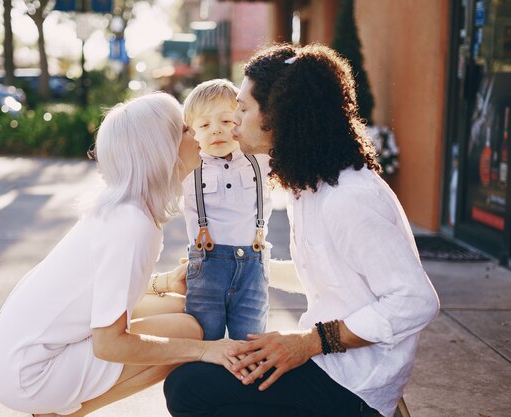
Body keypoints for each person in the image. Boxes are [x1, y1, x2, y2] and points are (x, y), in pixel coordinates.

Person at [164, 44, 440, 417]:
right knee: (188, 382)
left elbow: (415, 300)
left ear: (278, 116)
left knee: (197, 394)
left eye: (243, 109)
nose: (234, 120)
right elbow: (328, 276)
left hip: (354, 384)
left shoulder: (350, 198)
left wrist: (308, 342)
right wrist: (231, 267)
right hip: (327, 364)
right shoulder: (309, 184)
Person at [0, 92, 242, 417]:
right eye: (184, 130)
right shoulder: (133, 225)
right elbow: (108, 343)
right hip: (32, 375)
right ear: (161, 150)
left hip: (13, 362)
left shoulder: (122, 208)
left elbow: (102, 298)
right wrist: (205, 351)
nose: (195, 134)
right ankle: (57, 414)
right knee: (189, 331)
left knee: (181, 309)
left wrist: (163, 282)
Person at [181, 79, 273, 341]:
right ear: (191, 133)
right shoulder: (188, 168)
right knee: (204, 341)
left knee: (250, 343)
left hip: (253, 271)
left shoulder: (260, 160)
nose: (216, 131)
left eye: (226, 121)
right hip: (207, 271)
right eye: (204, 125)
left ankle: (245, 382)